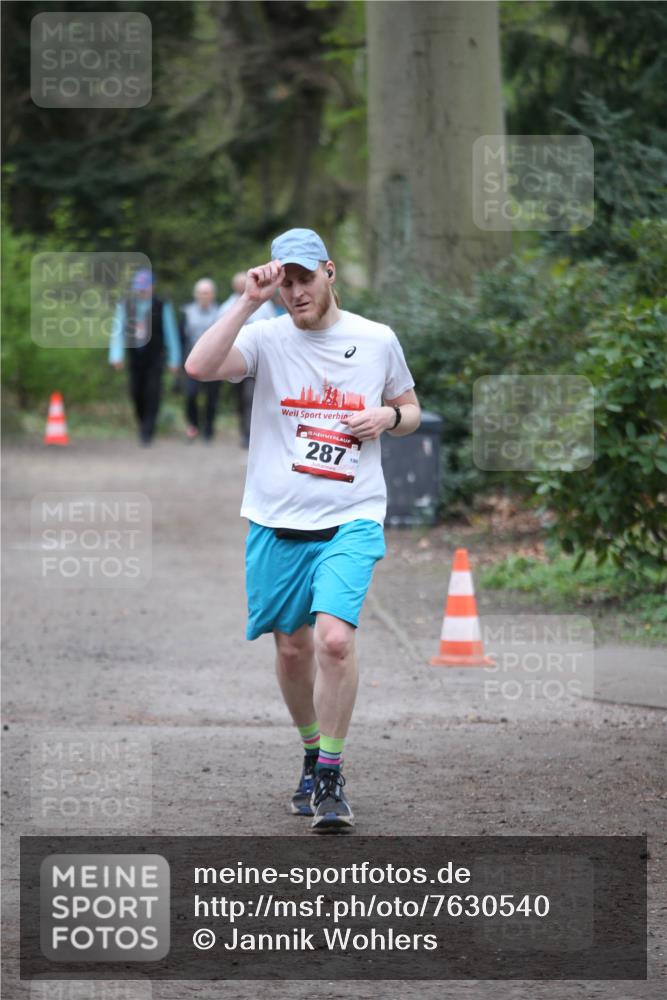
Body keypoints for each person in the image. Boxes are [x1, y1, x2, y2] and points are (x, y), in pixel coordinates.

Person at [185, 228, 420, 832]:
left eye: (305, 279)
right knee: (292, 649)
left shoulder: (376, 339)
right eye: (285, 282)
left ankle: (332, 775)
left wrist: (388, 415)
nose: (295, 292)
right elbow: (199, 366)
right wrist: (248, 300)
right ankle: (313, 750)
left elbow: (412, 411)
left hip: (351, 516)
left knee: (333, 642)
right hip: (276, 518)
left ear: (329, 273)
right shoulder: (264, 338)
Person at [109, 269, 181, 445]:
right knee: (136, 392)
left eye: (145, 287)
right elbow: (117, 331)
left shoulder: (162, 305)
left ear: (153, 287)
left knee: (153, 392)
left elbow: (171, 333)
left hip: (155, 357)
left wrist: (174, 359)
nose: (142, 291)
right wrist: (116, 355)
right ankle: (143, 423)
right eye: (139, 287)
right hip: (135, 357)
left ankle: (148, 430)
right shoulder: (125, 304)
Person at [218, 272, 277, 448]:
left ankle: (254, 433)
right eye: (239, 284)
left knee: (252, 396)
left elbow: (274, 327)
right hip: (236, 359)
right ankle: (245, 431)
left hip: (262, 358)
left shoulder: (264, 305)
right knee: (241, 398)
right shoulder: (227, 307)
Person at [180, 278, 220, 442]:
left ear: (213, 295)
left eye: (207, 293)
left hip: (214, 360)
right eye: (201, 293)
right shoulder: (187, 312)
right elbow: (181, 337)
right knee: (191, 394)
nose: (204, 296)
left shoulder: (220, 312)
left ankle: (208, 428)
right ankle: (193, 425)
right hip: (192, 358)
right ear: (195, 295)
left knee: (212, 396)